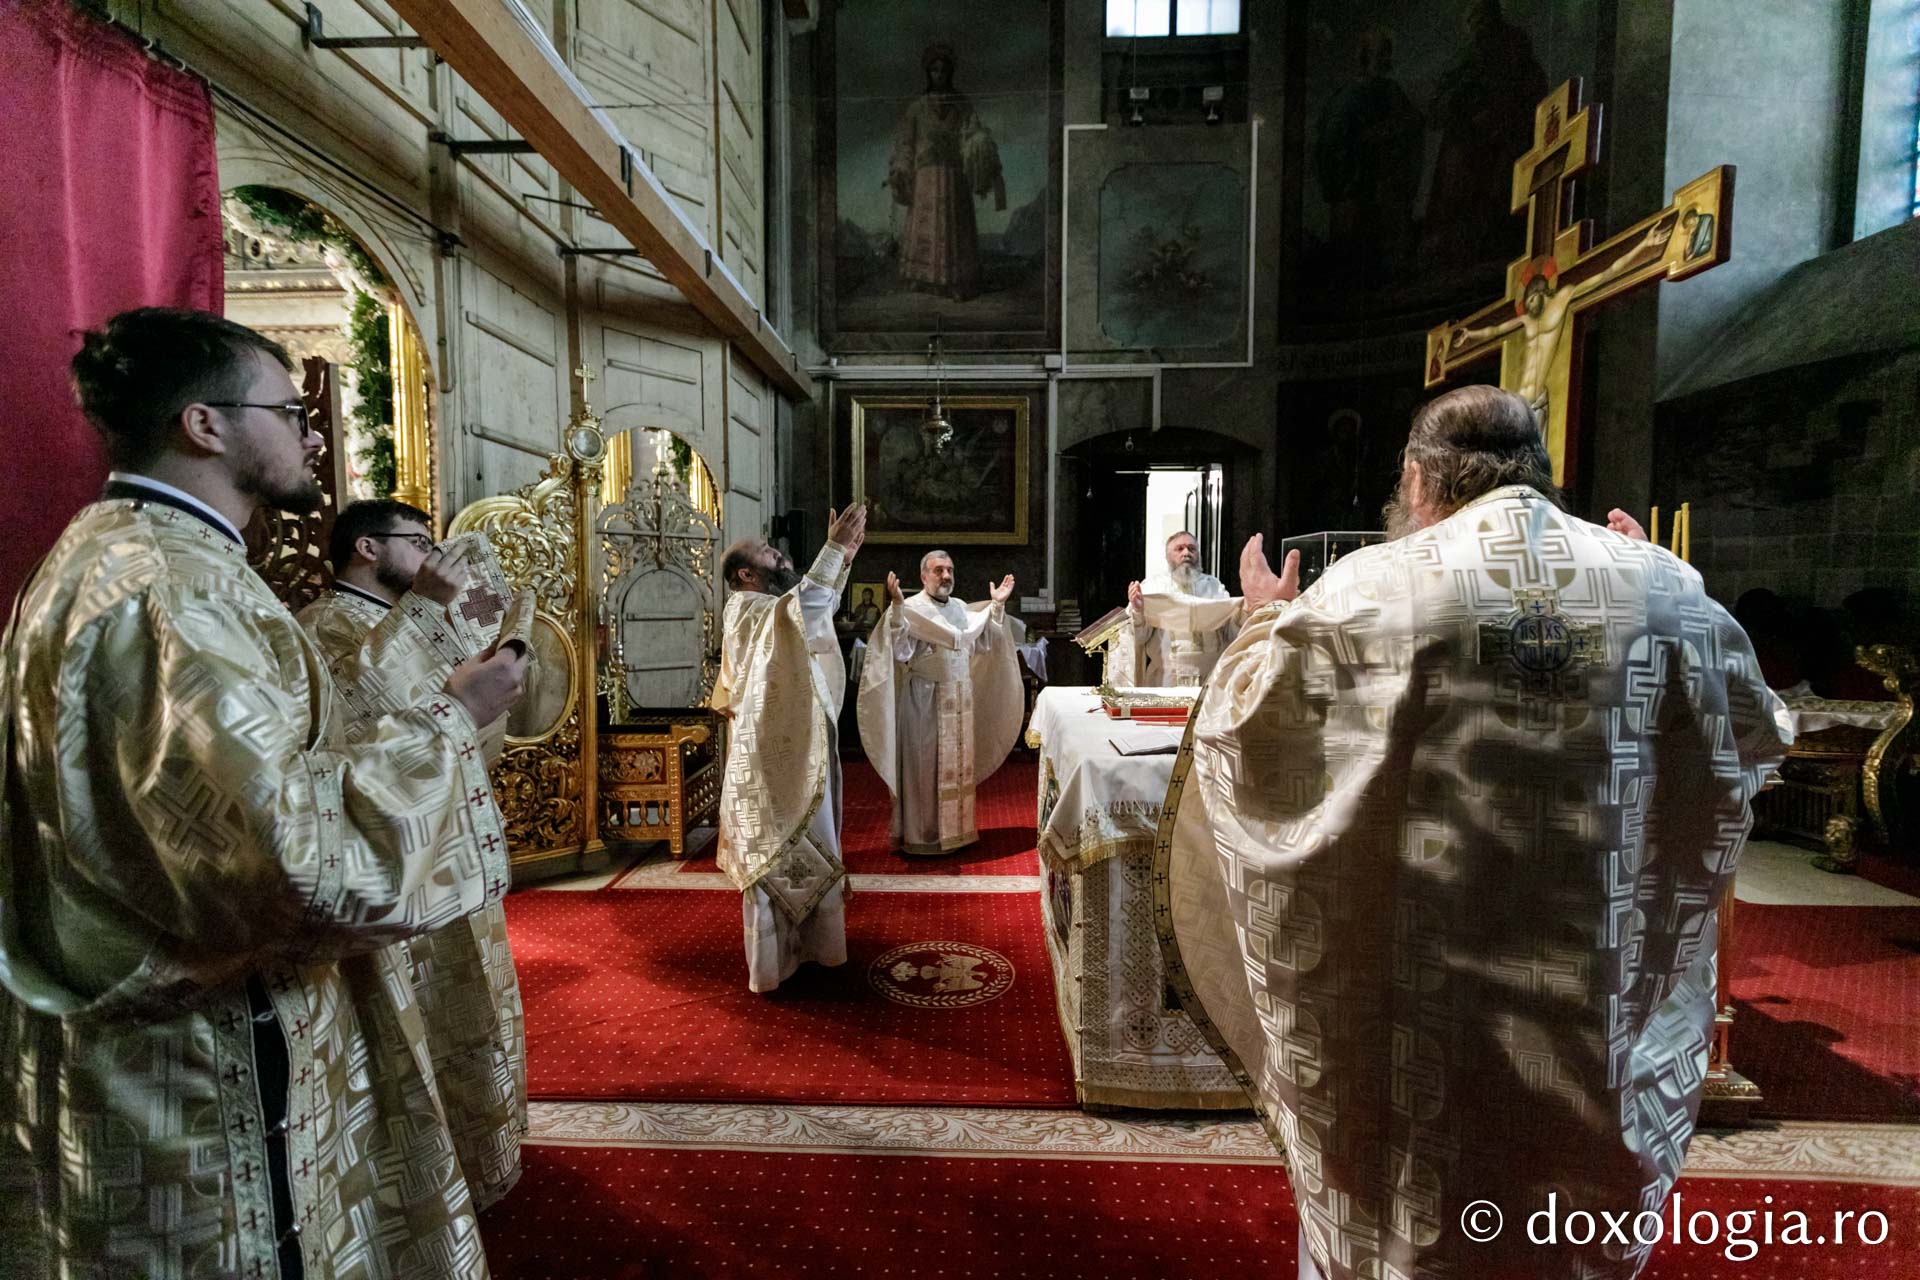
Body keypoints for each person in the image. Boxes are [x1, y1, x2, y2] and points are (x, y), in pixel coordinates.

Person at [1161, 385, 1791, 1280]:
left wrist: (1265, 616)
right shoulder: (1657, 585)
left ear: (1418, 479)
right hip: (1591, 990)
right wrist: (1666, 608)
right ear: (1541, 472)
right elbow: (1757, 733)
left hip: (1425, 1005)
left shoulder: (1371, 589)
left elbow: (1246, 730)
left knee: (1416, 1201)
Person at [0, 308, 528, 1280]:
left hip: (161, 1030)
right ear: (206, 425)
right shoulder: (171, 588)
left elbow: (271, 765)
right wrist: (450, 720)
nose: (310, 434)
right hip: (198, 1060)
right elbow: (288, 864)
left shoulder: (138, 554)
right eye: (289, 411)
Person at [295, 498, 527, 1209]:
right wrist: (426, 611)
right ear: (367, 547)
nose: (434, 554)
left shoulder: (408, 617)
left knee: (473, 1006)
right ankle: (434, 1180)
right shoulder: (322, 625)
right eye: (419, 541)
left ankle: (482, 1151)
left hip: (451, 844)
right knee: (421, 1025)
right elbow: (354, 725)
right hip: (394, 862)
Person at [711, 506, 867, 992]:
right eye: (766, 551)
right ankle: (774, 963)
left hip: (791, 745)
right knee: (778, 847)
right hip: (769, 757)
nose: (778, 553)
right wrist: (834, 550)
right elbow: (802, 609)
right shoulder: (745, 609)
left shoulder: (765, 608)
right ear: (745, 573)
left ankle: (815, 947)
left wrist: (841, 560)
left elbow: (808, 609)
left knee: (809, 839)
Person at [856, 551, 1023, 855]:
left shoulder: (960, 608)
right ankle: (924, 836)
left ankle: (956, 831)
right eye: (938, 571)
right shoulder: (912, 608)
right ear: (923, 576)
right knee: (923, 767)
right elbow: (902, 652)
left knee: (957, 769)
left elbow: (983, 643)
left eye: (949, 570)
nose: (946, 576)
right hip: (924, 697)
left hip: (959, 701)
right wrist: (896, 609)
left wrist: (997, 605)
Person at [886, 43, 1006, 301]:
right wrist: (900, 168)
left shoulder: (961, 105)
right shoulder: (917, 108)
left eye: (943, 70)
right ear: (928, 73)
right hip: (926, 180)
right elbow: (906, 143)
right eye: (934, 70)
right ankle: (924, 279)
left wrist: (980, 142)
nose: (938, 75)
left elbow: (973, 133)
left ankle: (955, 281)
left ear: (950, 72)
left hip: (954, 178)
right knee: (926, 227)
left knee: (954, 227)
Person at [1116, 530, 1243, 687]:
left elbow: (1230, 633)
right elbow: (1138, 638)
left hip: (1210, 680)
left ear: (1198, 555)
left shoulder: (1214, 586)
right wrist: (1137, 612)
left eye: (1192, 548)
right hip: (1166, 680)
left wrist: (1242, 613)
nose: (1186, 553)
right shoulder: (1152, 586)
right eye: (1179, 549)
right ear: (1168, 556)